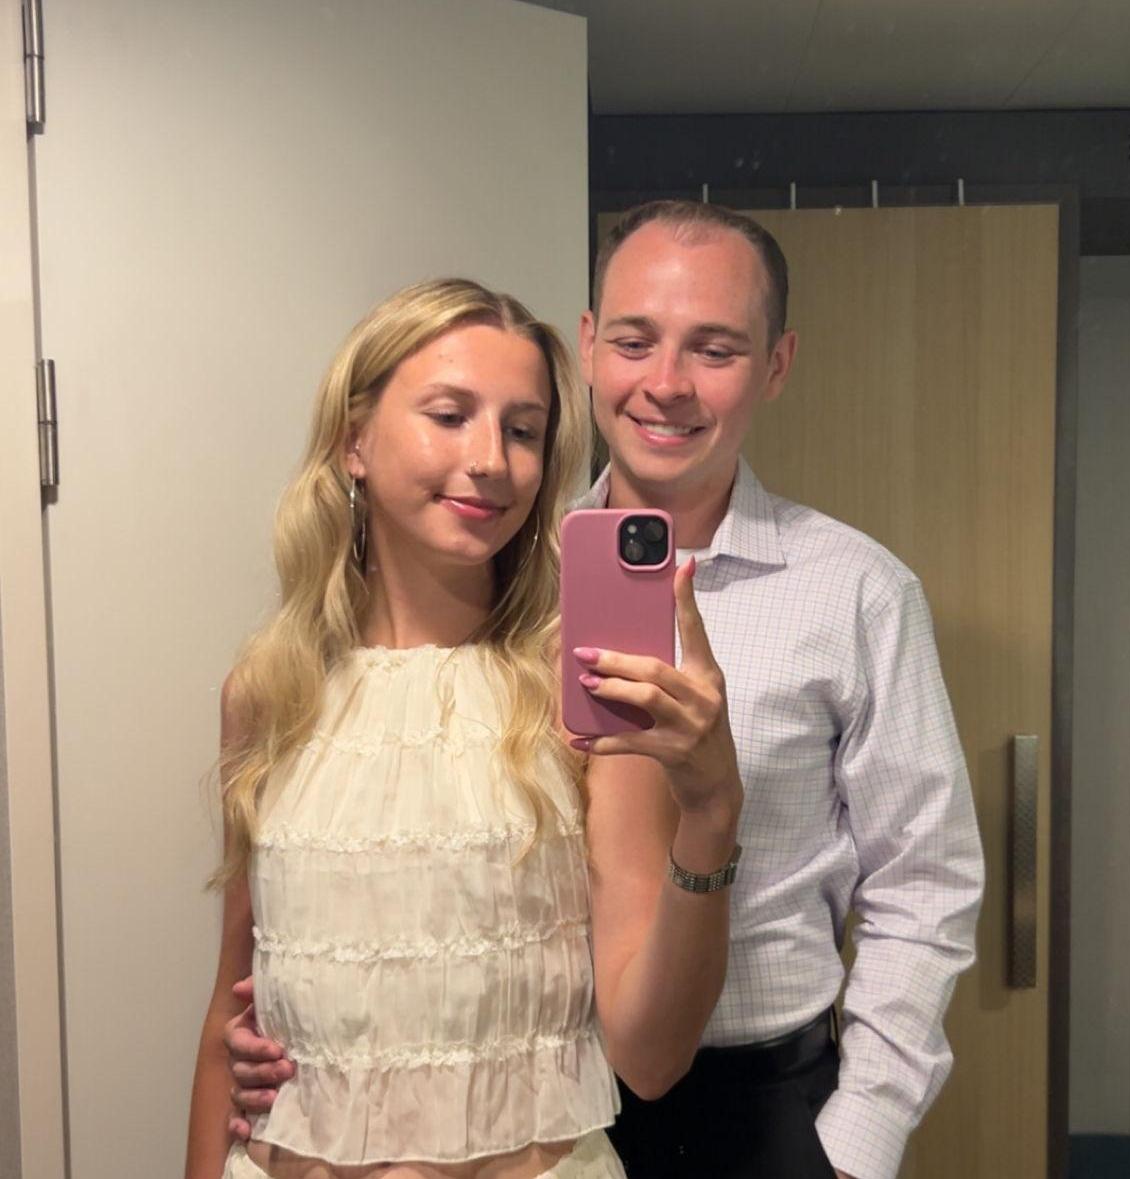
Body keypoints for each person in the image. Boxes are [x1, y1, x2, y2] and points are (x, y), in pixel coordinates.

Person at [224, 203, 985, 1179]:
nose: (665, 383)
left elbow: (923, 885)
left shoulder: (854, 591)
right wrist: (300, 1029)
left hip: (754, 1106)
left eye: (714, 349)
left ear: (776, 365)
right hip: (534, 1110)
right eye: (634, 342)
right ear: (588, 348)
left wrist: (854, 1144)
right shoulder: (504, 578)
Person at [186, 277, 746, 1179]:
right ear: (354, 440)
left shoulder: (587, 690)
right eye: (450, 416)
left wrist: (712, 807)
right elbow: (231, 1010)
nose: (491, 459)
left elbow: (650, 1057)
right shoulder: (269, 693)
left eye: (523, 431)